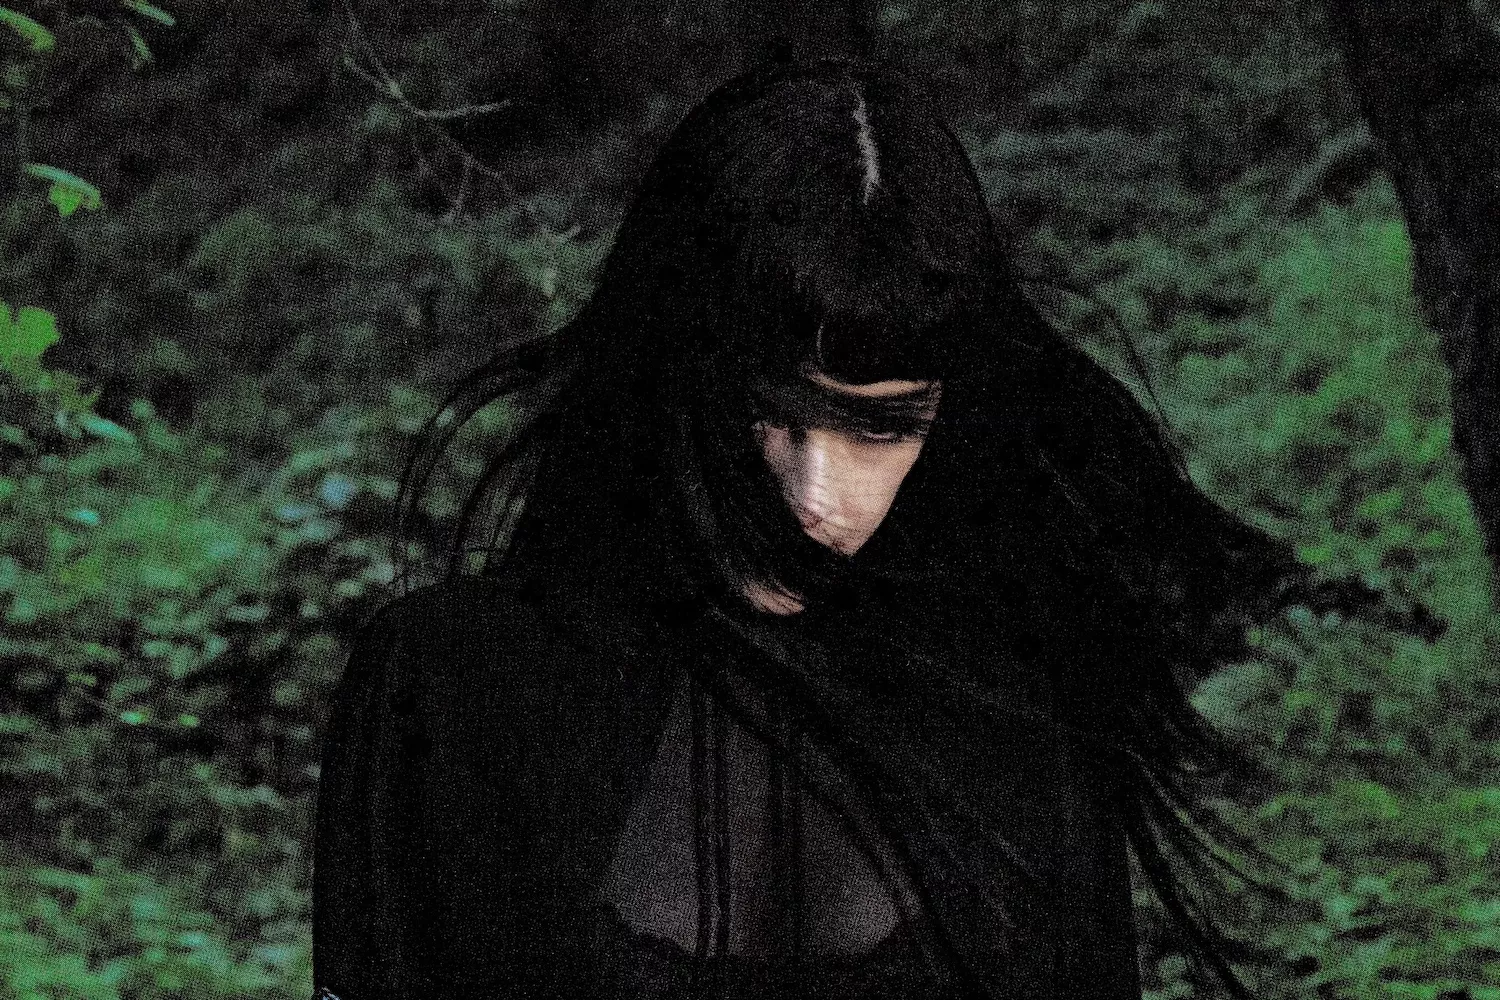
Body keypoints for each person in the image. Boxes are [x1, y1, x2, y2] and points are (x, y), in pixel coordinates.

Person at [311, 56, 1301, 999]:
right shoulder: (449, 686)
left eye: (882, 426)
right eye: (762, 411)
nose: (811, 496)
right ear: (664, 377)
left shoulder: (1022, 710)